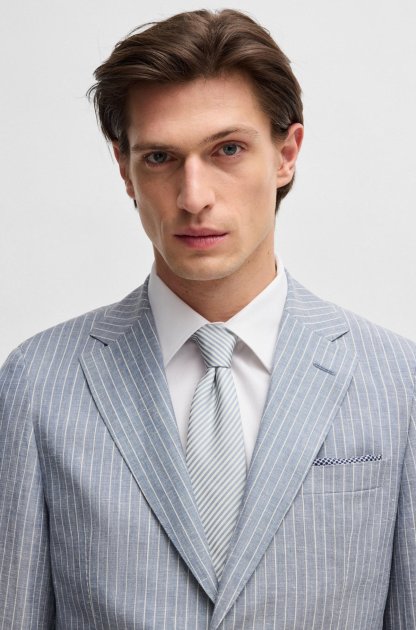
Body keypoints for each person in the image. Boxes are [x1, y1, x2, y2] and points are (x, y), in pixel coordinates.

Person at [0, 8, 415, 629]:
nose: (194, 197)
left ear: (286, 154)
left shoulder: (398, 381)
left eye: (228, 149)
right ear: (124, 169)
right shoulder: (38, 384)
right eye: (160, 157)